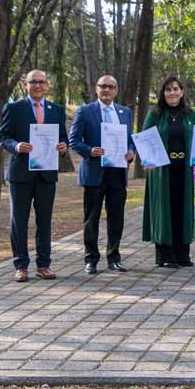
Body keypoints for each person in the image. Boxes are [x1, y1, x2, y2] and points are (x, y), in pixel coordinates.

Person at [0, 69, 68, 282]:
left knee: (44, 221)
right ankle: (21, 266)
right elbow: (2, 137)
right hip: (21, 174)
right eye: (33, 82)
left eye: (41, 82)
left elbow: (62, 139)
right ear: (25, 85)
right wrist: (16, 146)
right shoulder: (14, 108)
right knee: (19, 221)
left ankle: (44, 265)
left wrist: (63, 147)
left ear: (47, 86)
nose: (37, 85)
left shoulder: (57, 110)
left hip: (46, 175)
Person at [68, 75, 135, 275]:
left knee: (116, 218)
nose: (106, 90)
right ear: (96, 89)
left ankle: (114, 258)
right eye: (102, 86)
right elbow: (74, 141)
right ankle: (91, 259)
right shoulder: (85, 111)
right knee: (91, 218)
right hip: (94, 173)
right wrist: (90, 151)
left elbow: (130, 139)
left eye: (110, 87)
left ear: (116, 90)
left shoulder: (125, 112)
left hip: (117, 172)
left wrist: (131, 152)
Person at [142, 76, 195, 268]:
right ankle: (165, 255)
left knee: (182, 209)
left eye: (176, 89)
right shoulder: (155, 114)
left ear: (182, 92)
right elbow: (145, 140)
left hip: (184, 169)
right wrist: (147, 159)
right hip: (161, 171)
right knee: (164, 210)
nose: (172, 93)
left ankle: (182, 253)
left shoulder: (191, 115)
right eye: (168, 89)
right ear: (163, 93)